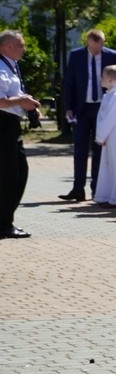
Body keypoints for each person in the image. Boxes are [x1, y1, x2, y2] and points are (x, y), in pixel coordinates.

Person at [61, 29, 116, 201]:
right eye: (93, 48)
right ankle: (78, 188)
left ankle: (97, 188)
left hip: (102, 108)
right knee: (80, 149)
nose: (96, 51)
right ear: (87, 42)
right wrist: (68, 107)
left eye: (99, 47)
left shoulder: (112, 56)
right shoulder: (76, 55)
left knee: (99, 148)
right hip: (82, 108)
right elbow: (69, 82)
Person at [0, 30, 38, 238]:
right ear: (8, 47)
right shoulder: (0, 66)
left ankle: (5, 220)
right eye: (21, 45)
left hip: (10, 123)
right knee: (10, 175)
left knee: (17, 173)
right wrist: (20, 103)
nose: (24, 48)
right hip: (3, 124)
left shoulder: (10, 65)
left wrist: (28, 106)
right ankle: (4, 224)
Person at [93, 66, 116, 208]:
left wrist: (101, 136)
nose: (101, 79)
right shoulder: (109, 94)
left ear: (111, 79)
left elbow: (111, 117)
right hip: (109, 133)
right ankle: (108, 194)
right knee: (109, 165)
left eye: (103, 76)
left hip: (115, 132)